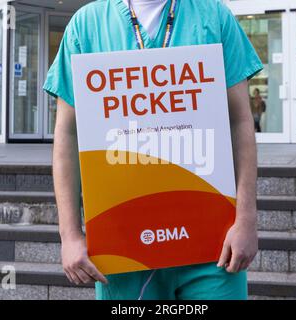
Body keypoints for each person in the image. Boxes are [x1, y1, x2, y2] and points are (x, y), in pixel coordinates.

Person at [44, 0, 263, 300]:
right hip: (122, 250)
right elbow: (68, 135)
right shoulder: (86, 26)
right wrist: (69, 235)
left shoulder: (214, 16)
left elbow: (239, 121)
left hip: (213, 245)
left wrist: (247, 218)